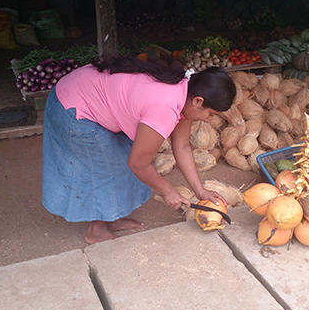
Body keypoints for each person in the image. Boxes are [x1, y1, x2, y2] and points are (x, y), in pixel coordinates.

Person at [41, 55, 236, 244]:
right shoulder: (164, 107)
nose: (209, 119)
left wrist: (199, 190)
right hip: (72, 106)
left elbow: (182, 145)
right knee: (107, 168)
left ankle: (113, 217)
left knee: (123, 158)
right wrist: (168, 191)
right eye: (211, 114)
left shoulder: (185, 92)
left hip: (83, 92)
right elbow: (138, 164)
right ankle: (97, 230)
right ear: (198, 102)